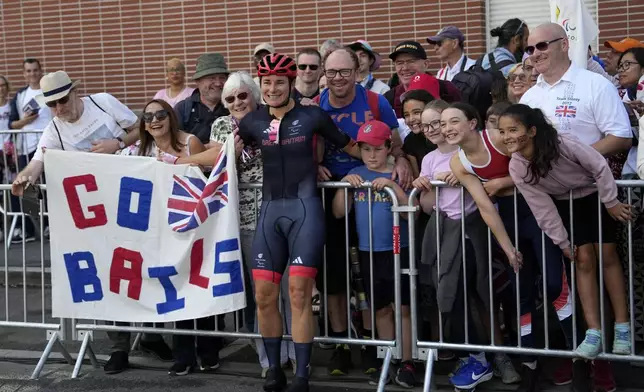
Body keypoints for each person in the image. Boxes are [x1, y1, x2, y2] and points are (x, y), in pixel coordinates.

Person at [236, 52, 360, 392]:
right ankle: (274, 370)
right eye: (267, 82)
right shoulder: (252, 122)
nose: (273, 88)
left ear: (291, 83)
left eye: (279, 81)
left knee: (299, 293)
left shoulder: (313, 115)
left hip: (305, 212)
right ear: (260, 86)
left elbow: (354, 149)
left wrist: (395, 160)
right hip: (269, 214)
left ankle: (302, 375)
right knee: (263, 296)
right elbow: (224, 155)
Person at [502, 105, 633, 392]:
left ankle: (623, 328)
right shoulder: (517, 165)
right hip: (566, 206)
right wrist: (561, 242)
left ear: (532, 131)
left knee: (607, 257)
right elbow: (541, 207)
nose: (507, 136)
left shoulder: (563, 144)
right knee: (582, 260)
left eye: (513, 130)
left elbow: (599, 165)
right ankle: (594, 332)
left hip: (596, 198)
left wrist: (611, 202)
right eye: (502, 131)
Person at [315, 47, 411, 377]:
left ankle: (374, 346)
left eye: (344, 71)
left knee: (368, 278)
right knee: (336, 278)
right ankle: (342, 345)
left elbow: (395, 143)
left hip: (373, 191)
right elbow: (307, 149)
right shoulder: (318, 104)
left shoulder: (374, 102)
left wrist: (398, 161)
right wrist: (313, 168)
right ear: (323, 75)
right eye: (331, 72)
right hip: (334, 196)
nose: (337, 78)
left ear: (358, 72)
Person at [412, 104, 495, 392]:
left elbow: (487, 182)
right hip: (442, 234)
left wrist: (462, 178)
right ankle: (474, 356)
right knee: (448, 295)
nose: (434, 129)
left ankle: (484, 358)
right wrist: (426, 186)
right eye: (427, 125)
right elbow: (426, 206)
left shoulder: (467, 152)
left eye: (438, 123)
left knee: (469, 295)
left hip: (471, 234)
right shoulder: (430, 158)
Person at [333, 120, 415, 388]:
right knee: (379, 309)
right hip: (368, 252)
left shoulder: (399, 174)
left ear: (389, 148)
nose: (371, 155)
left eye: (377, 149)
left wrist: (394, 189)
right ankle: (387, 357)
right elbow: (339, 212)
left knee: (402, 307)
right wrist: (345, 185)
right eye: (366, 149)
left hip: (398, 249)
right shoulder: (356, 173)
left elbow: (411, 211)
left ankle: (407, 360)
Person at [8, 58, 51, 243]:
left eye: (35, 70)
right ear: (24, 73)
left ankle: (51, 225)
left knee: (52, 187)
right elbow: (13, 124)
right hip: (27, 148)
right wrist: (27, 121)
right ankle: (32, 229)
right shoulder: (20, 95)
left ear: (41, 71)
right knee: (28, 188)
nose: (32, 74)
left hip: (49, 147)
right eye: (28, 71)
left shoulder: (49, 91)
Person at [384, 41, 461, 119]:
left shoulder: (447, 89)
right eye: (399, 63)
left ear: (426, 64)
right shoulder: (389, 97)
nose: (405, 68)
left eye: (411, 61)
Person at [175, 53, 230, 145]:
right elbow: (175, 146)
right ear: (198, 81)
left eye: (222, 78)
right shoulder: (182, 109)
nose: (218, 83)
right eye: (211, 78)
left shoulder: (235, 106)